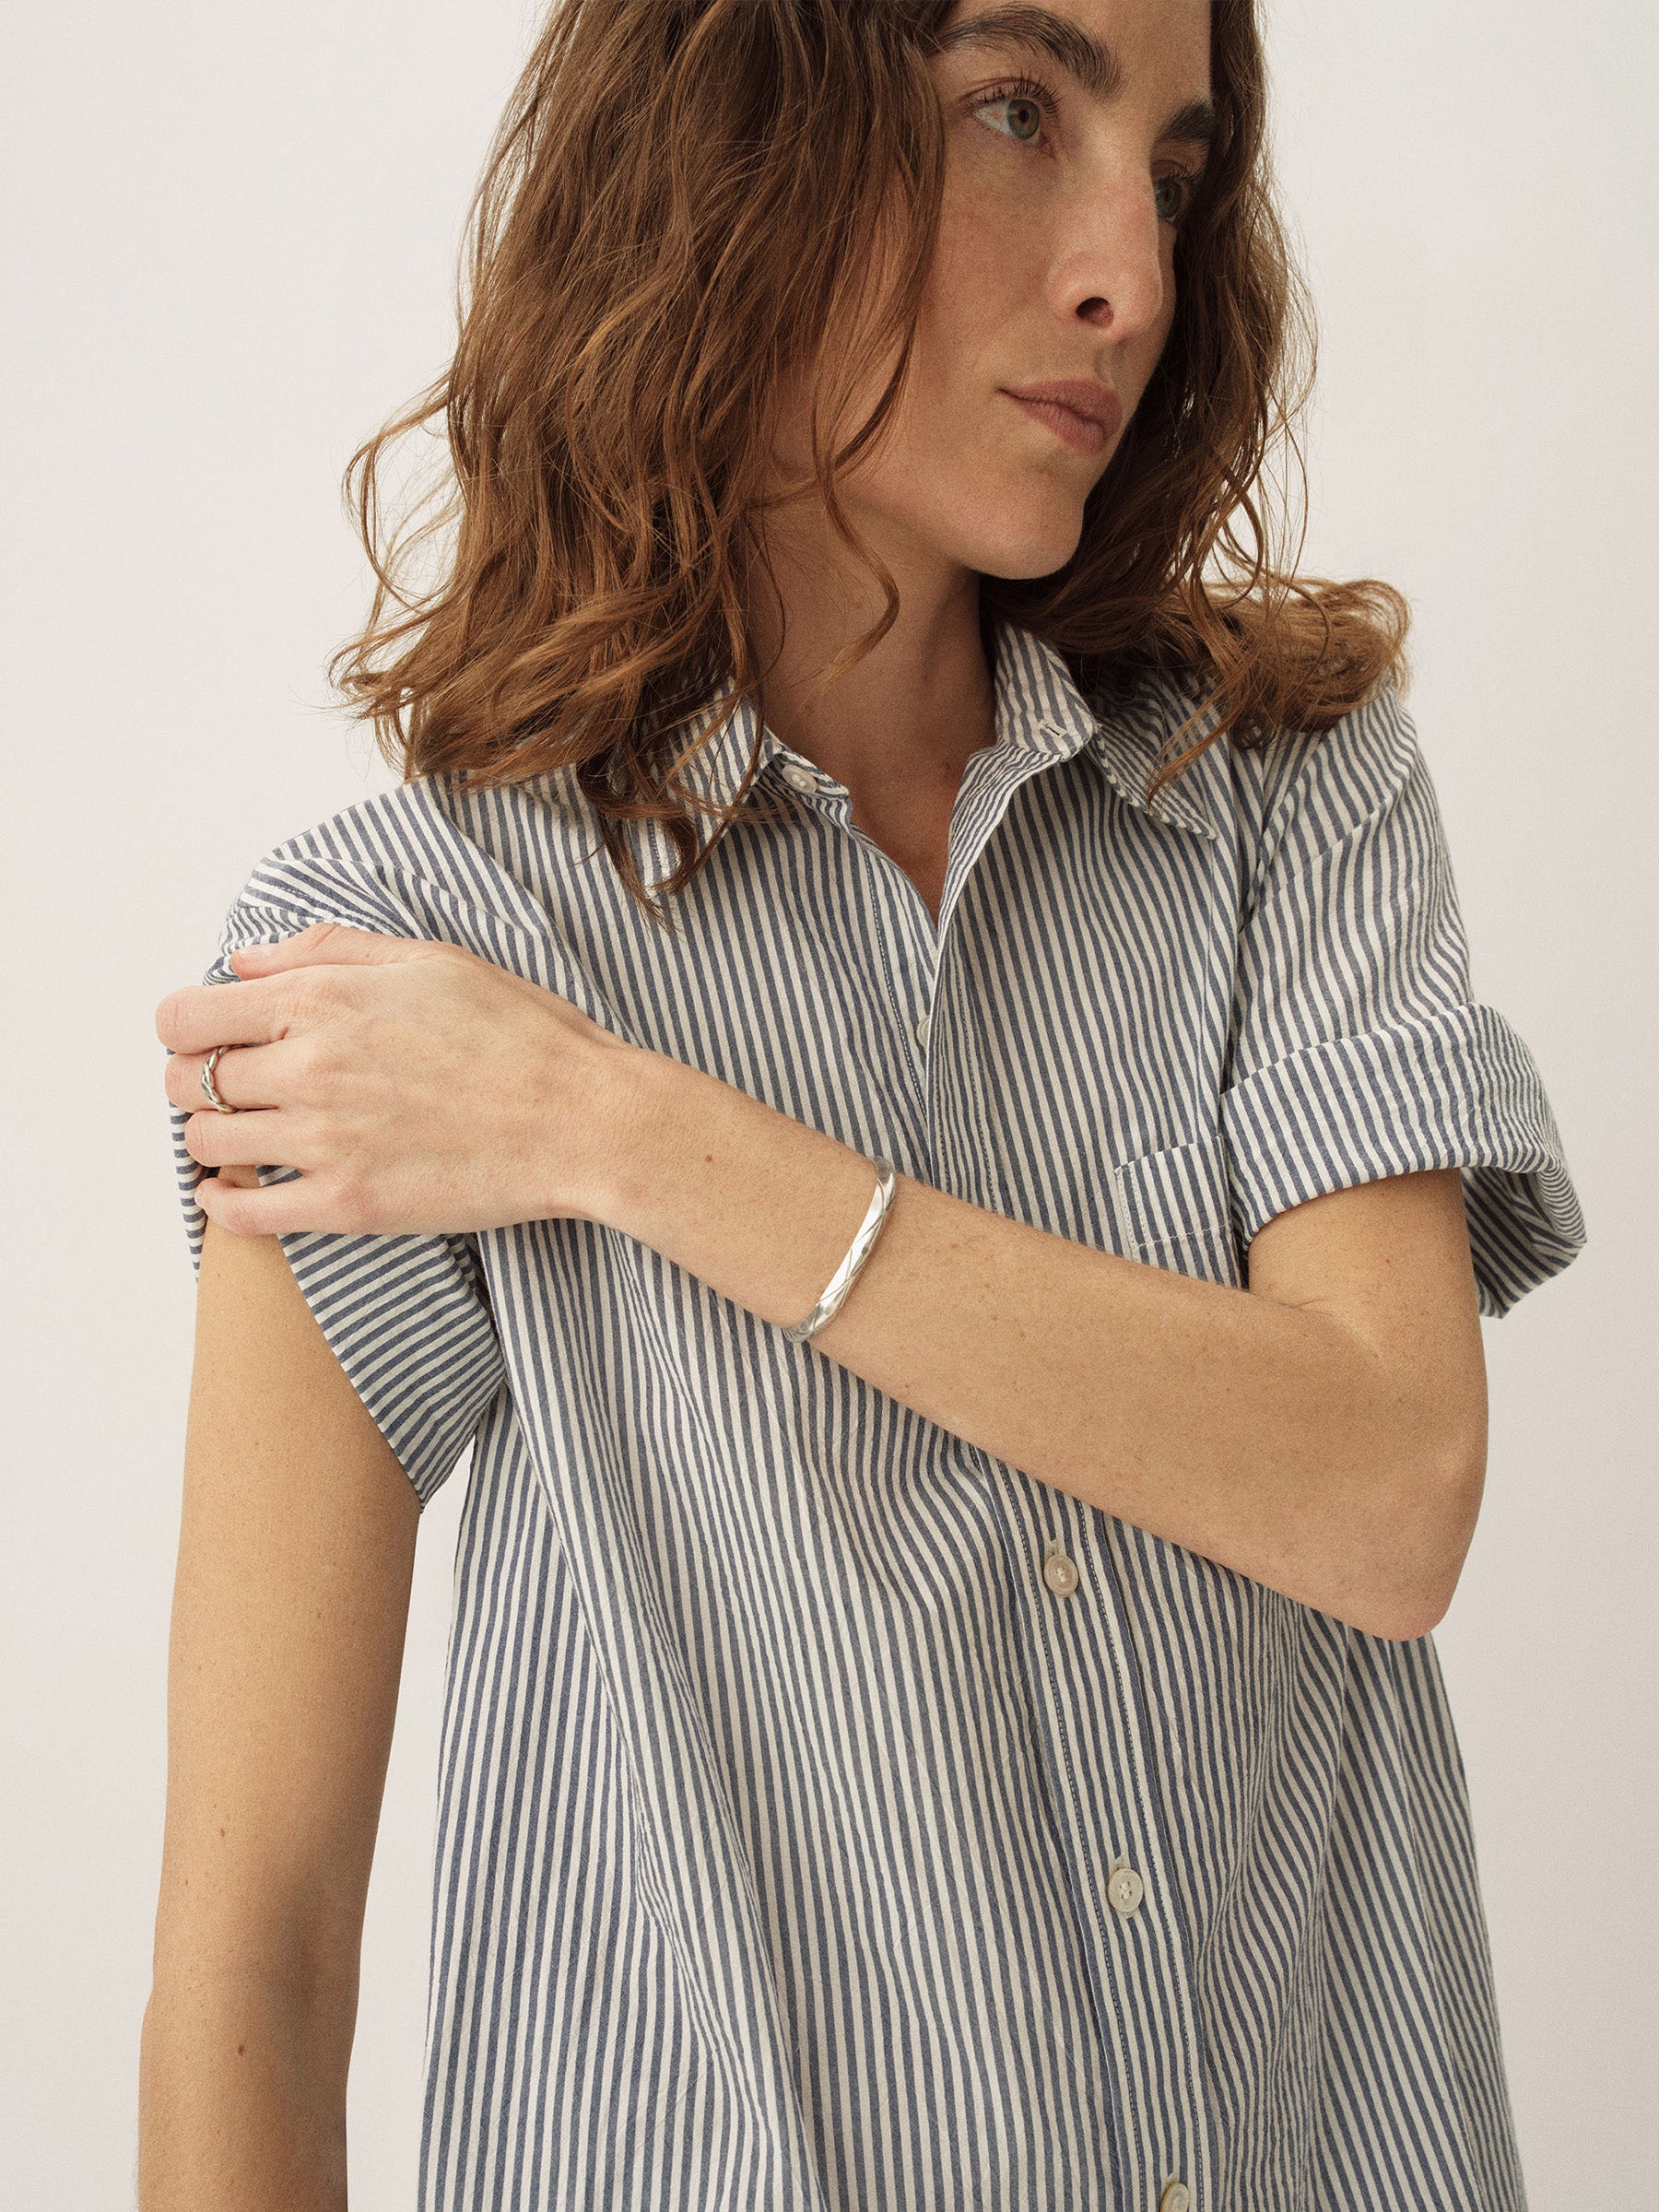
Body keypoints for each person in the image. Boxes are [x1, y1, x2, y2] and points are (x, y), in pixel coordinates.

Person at [140, 0, 1586, 2206]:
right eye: (1016, 113)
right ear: (737, 135)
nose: (1133, 274)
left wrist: (616, 1132)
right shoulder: (401, 963)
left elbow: (1389, 1489)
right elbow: (254, 1953)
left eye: (1175, 174)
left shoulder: (1284, 789)